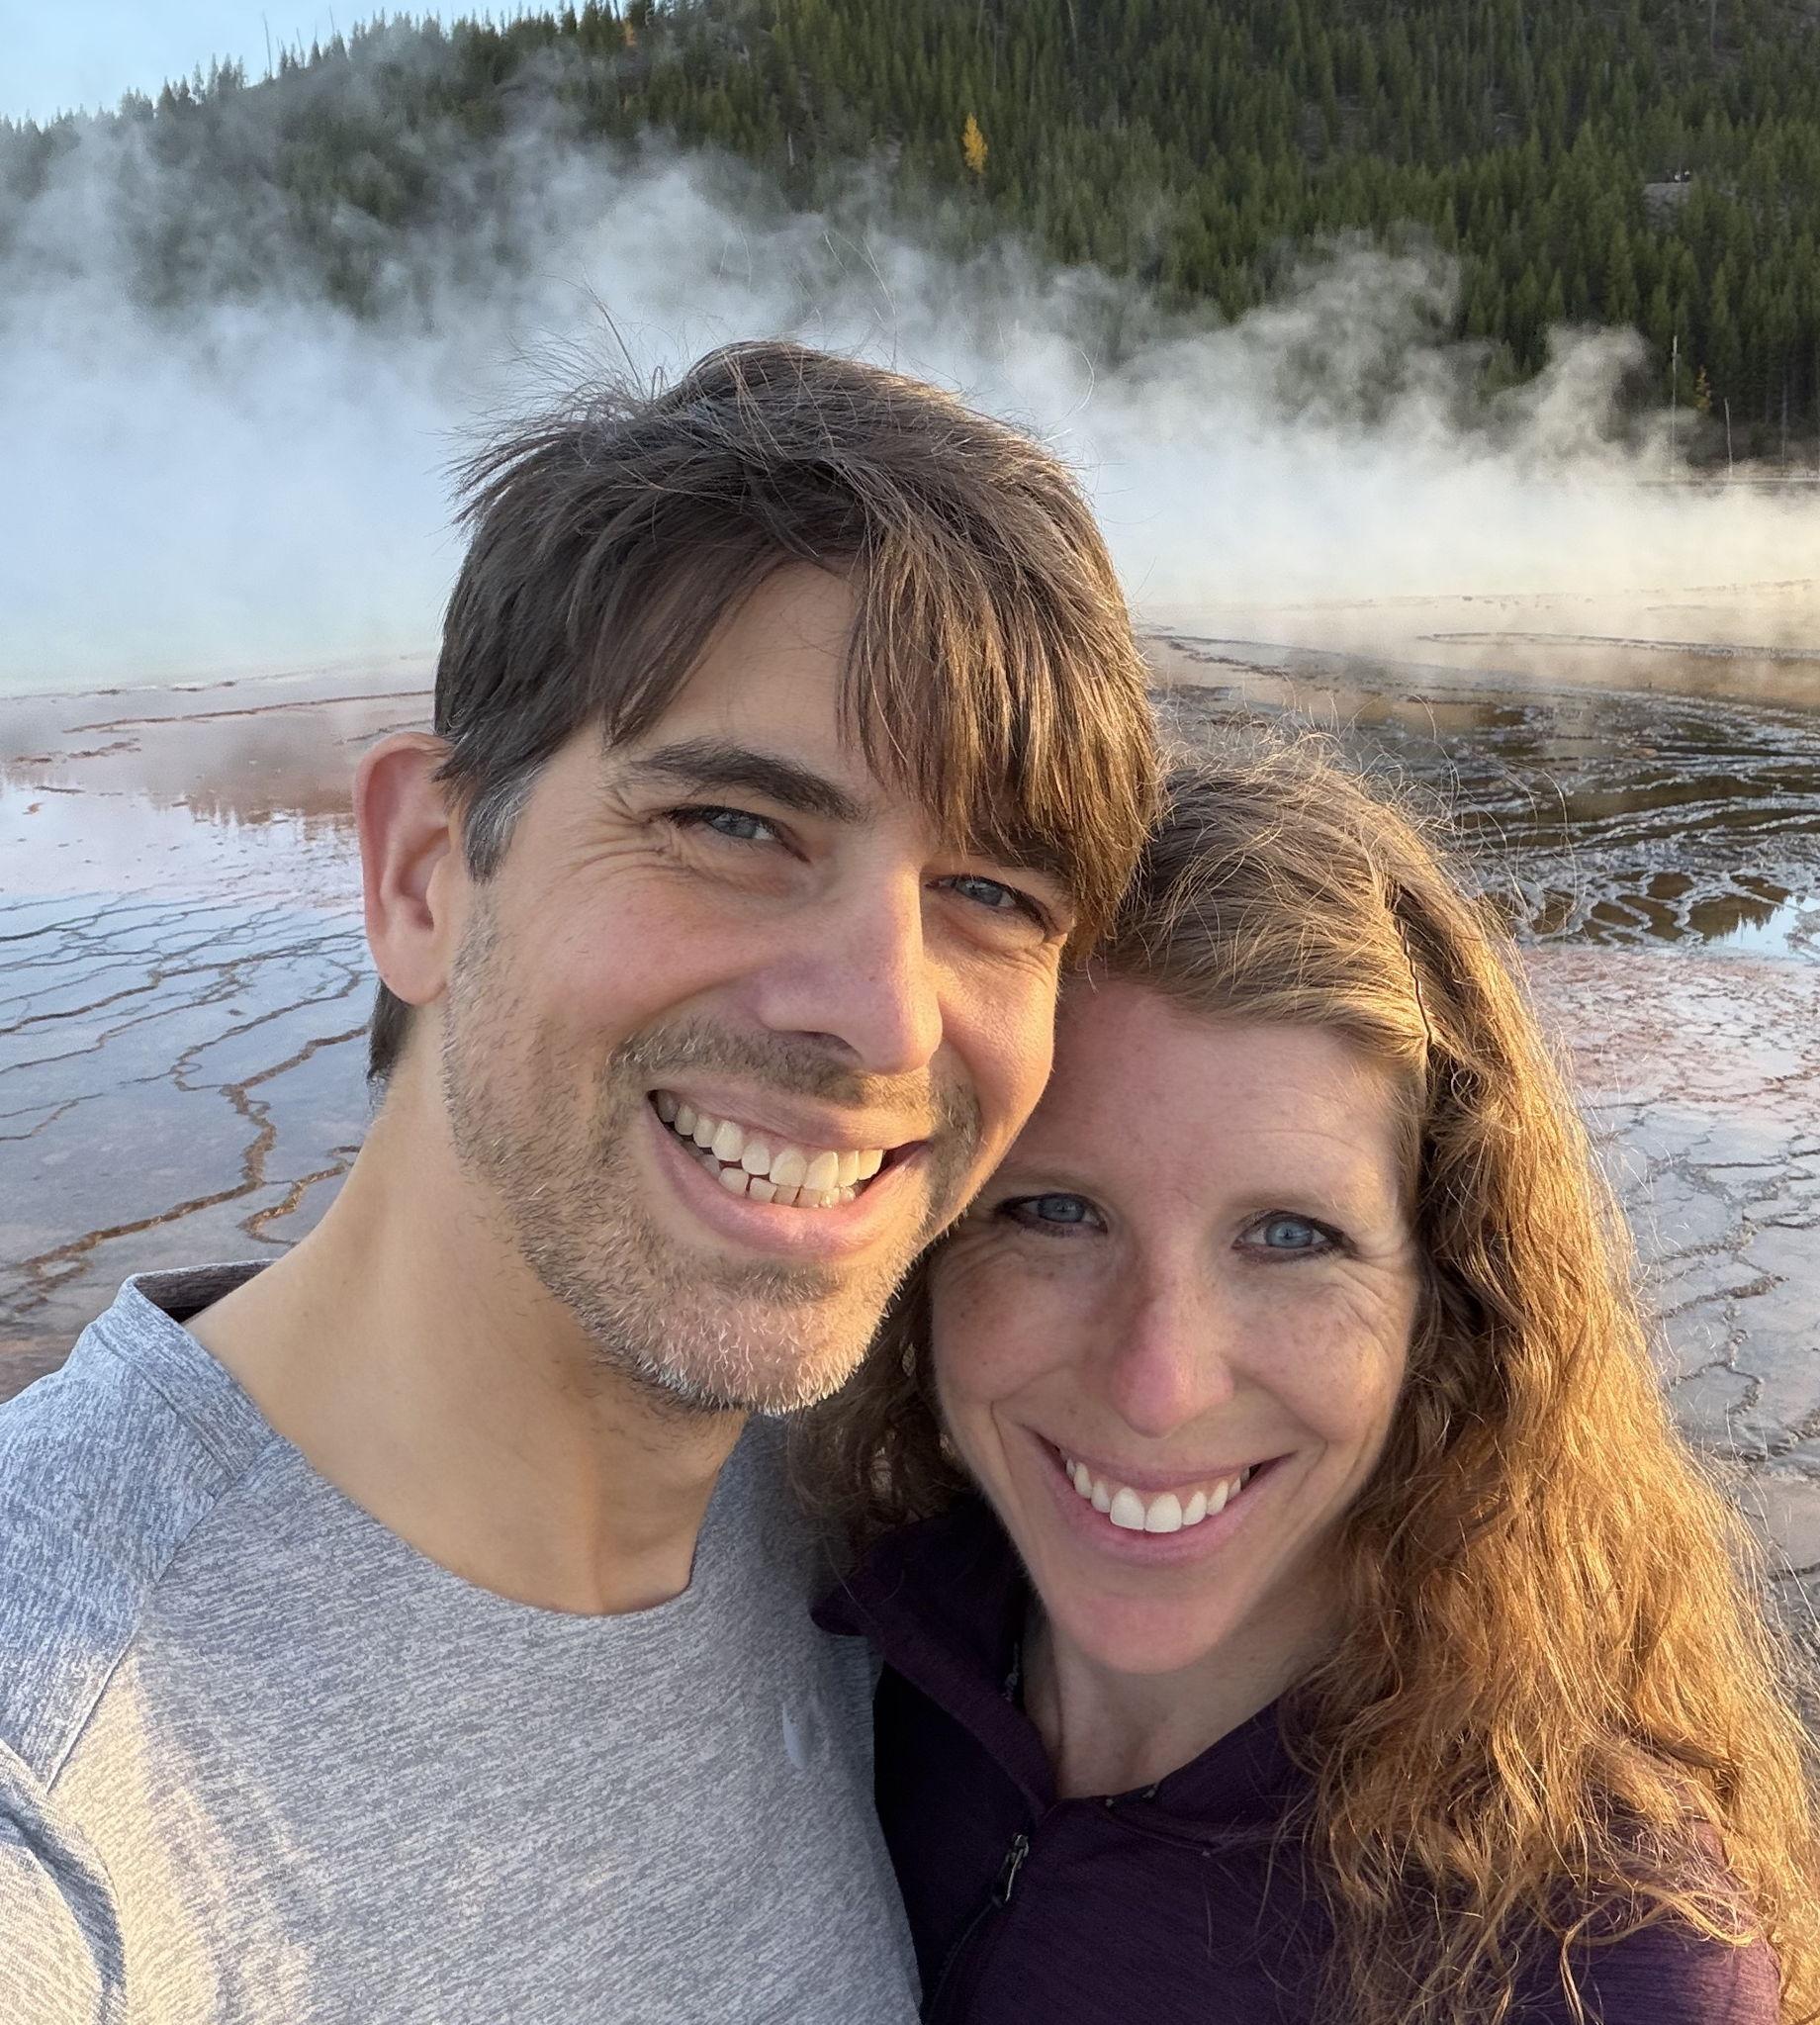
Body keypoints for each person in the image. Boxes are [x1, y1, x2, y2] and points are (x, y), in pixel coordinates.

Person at [0, 341, 1158, 2022]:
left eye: (991, 893)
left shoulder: (881, 1538)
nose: (886, 1009)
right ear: (419, 872)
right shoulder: (62, 1796)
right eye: (735, 826)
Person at [811, 734, 1820, 2024]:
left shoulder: (1594, 1959)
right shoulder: (847, 1631)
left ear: (1448, 1302)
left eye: (1290, 1238)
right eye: (1053, 1214)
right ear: (923, 1244)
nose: (1159, 1383)